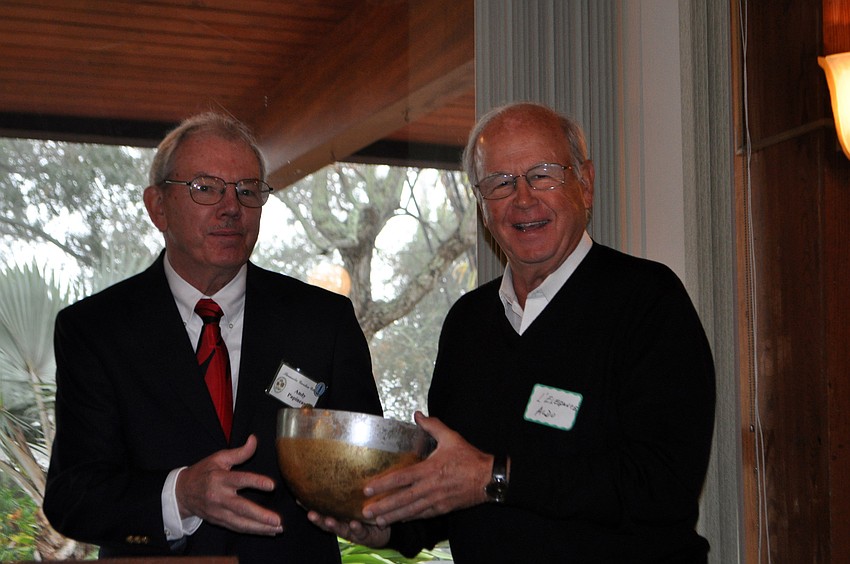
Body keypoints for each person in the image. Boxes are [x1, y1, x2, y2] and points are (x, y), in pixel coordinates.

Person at [308, 102, 716, 562]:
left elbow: (665, 485)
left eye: (542, 175)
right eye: (500, 182)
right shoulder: (468, 322)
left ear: (585, 184)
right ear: (482, 205)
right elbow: (455, 487)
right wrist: (385, 525)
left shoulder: (648, 300)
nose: (523, 198)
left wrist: (495, 477)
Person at [43, 112, 383, 563]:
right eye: (205, 188)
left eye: (247, 190)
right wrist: (181, 495)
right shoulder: (96, 329)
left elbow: (368, 470)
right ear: (157, 207)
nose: (231, 207)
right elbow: (72, 496)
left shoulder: (323, 321)